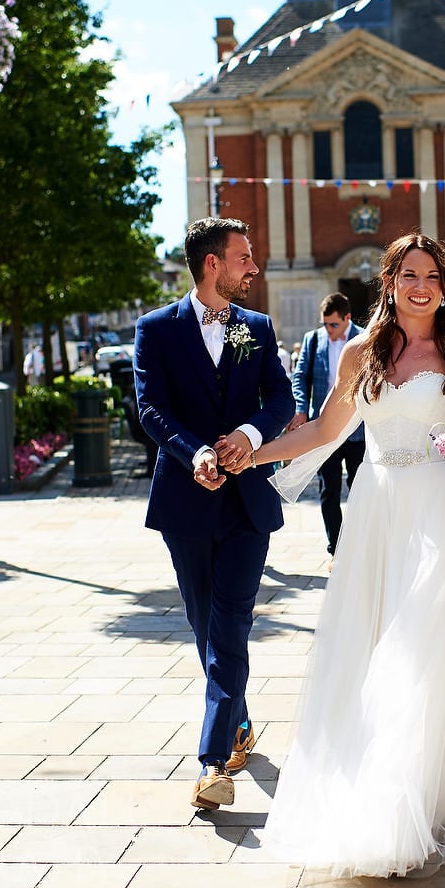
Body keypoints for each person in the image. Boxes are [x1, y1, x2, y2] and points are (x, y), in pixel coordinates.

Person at [252, 232, 445, 878]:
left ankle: (402, 803)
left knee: (419, 645)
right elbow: (323, 431)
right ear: (390, 281)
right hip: (376, 510)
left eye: (432, 274)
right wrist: (251, 456)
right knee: (372, 640)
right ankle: (377, 790)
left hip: (438, 508)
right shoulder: (359, 352)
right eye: (409, 274)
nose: (422, 285)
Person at [131, 217, 295, 811]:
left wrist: (250, 435)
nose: (253, 268)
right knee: (205, 626)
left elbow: (281, 398)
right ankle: (239, 721)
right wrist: (195, 451)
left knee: (231, 625)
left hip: (247, 504)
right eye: (243, 258)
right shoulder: (156, 329)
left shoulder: (257, 328)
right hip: (185, 501)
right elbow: (151, 408)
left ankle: (209, 762)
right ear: (212, 265)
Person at [289, 292, 367, 557]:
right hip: (325, 430)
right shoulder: (313, 340)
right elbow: (300, 377)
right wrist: (300, 409)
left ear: (347, 318)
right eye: (325, 324)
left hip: (359, 430)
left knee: (360, 491)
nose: (328, 330)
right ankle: (337, 549)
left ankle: (358, 545)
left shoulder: (365, 338)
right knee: (329, 491)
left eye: (333, 324)